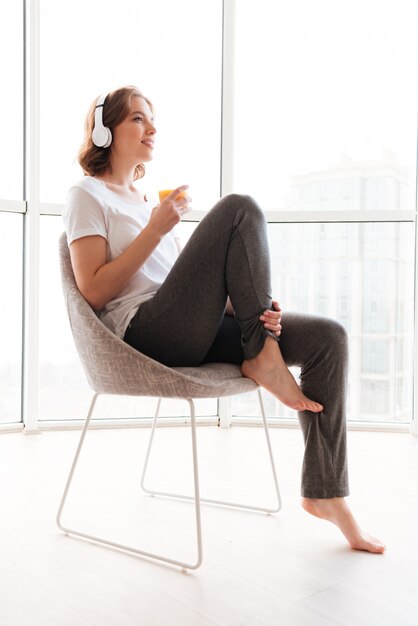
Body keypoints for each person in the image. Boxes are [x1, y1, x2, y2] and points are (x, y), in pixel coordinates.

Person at [63, 85, 385, 554]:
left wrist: (256, 309)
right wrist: (156, 228)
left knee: (326, 338)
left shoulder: (144, 199)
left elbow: (190, 285)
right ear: (104, 131)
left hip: (189, 324)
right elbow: (91, 290)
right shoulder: (86, 195)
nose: (151, 129)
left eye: (152, 120)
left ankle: (326, 493)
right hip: (144, 334)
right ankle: (264, 357)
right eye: (138, 119)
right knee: (240, 209)